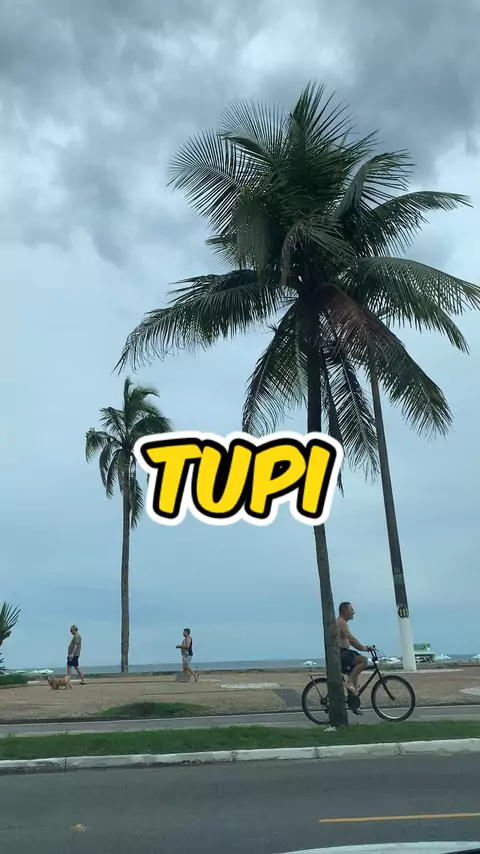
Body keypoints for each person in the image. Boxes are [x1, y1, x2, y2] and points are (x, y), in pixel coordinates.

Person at [336, 602, 372, 694]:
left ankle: (353, 699)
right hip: (342, 653)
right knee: (363, 660)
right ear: (345, 611)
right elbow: (351, 639)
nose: (353, 612)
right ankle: (349, 682)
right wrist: (364, 648)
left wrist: (362, 647)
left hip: (342, 652)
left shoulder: (340, 621)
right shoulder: (341, 622)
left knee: (353, 673)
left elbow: (350, 642)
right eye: (351, 610)